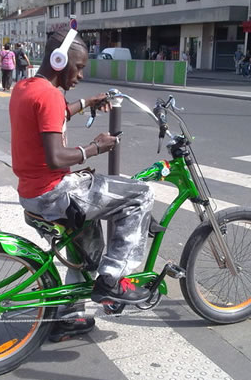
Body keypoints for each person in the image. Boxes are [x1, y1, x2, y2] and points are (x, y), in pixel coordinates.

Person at [9, 28, 154, 341]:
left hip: (31, 194)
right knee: (141, 194)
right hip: (54, 194)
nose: (80, 75)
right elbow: (55, 157)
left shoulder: (26, 87)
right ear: (59, 60)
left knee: (87, 249)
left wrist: (86, 102)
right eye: (78, 67)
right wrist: (95, 148)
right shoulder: (49, 95)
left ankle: (73, 316)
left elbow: (52, 114)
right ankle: (114, 280)